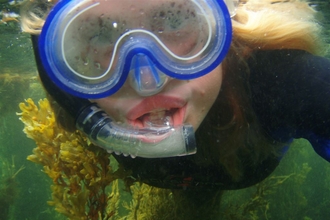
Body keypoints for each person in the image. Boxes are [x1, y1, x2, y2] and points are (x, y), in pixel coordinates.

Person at [20, 0, 330, 218]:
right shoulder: (77, 97)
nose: (147, 81)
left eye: (174, 20)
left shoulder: (281, 80)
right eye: (100, 34)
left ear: (218, 25)